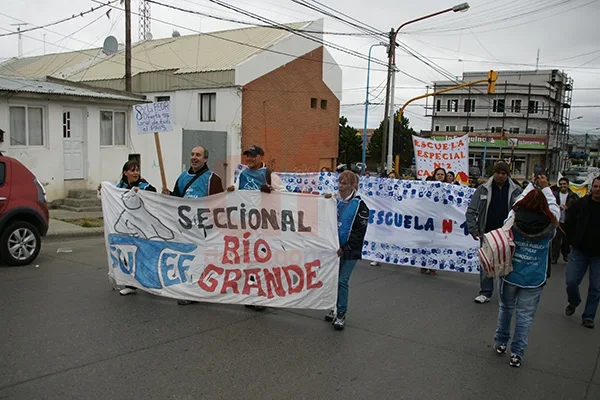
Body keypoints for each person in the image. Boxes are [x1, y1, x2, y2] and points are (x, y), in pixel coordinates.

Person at [493, 175, 559, 368]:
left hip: (510, 273)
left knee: (506, 309)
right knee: (525, 316)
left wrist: (530, 186)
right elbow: (554, 208)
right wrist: (546, 189)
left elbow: (517, 203)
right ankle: (517, 354)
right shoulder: (550, 225)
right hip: (534, 278)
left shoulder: (513, 220)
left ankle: (500, 342)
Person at [162, 146, 224, 305]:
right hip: (186, 228)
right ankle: (191, 289)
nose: (194, 157)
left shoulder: (213, 178)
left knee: (200, 260)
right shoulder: (182, 177)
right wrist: (168, 195)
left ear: (205, 159)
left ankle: (195, 292)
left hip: (204, 229)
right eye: (192, 154)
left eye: (198, 155)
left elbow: (219, 204)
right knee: (189, 260)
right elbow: (177, 199)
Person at [228, 145, 281, 310]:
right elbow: (237, 190)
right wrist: (231, 190)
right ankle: (252, 294)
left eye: (252, 156)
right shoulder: (242, 175)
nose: (249, 159)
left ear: (261, 156)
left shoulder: (269, 175)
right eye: (247, 156)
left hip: (264, 226)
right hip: (247, 227)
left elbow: (285, 195)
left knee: (263, 261)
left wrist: (271, 191)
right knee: (249, 261)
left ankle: (262, 295)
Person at [466, 161, 523, 304]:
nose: (500, 176)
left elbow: (522, 212)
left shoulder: (516, 190)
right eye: (498, 173)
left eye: (504, 173)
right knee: (487, 262)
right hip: (487, 232)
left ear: (508, 175)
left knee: (507, 262)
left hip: (508, 234)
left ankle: (506, 293)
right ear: (494, 173)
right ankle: (485, 292)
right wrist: (473, 228)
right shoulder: (483, 189)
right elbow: (471, 210)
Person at [100, 160, 157, 296]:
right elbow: (112, 192)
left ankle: (152, 283)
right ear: (126, 173)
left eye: (137, 170)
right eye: (132, 170)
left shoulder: (144, 185)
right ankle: (130, 285)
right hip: (126, 228)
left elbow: (153, 192)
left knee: (145, 256)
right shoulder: (120, 186)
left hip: (142, 227)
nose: (136, 173)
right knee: (127, 256)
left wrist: (141, 192)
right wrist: (103, 189)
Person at [324, 171, 369, 330]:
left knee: (342, 280)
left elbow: (359, 233)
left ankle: (341, 312)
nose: (341, 186)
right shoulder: (331, 200)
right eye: (340, 183)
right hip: (332, 248)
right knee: (331, 279)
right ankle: (332, 307)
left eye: (345, 184)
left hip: (349, 250)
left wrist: (345, 247)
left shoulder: (360, 207)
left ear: (353, 186)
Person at [564, 176, 600, 329]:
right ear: (591, 187)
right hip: (579, 251)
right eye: (596, 186)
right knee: (571, 281)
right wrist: (572, 241)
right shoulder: (580, 204)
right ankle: (574, 301)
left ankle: (589, 316)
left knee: (596, 287)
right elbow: (569, 222)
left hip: (598, 255)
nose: (598, 189)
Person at [370, 170, 399, 267]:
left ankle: (397, 256)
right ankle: (377, 258)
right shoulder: (381, 189)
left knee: (396, 238)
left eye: (393, 177)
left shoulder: (400, 190)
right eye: (389, 177)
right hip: (384, 217)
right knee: (380, 238)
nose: (390, 179)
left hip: (396, 217)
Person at [552, 177, 578, 264]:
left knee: (566, 241)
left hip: (568, 222)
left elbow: (577, 209)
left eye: (564, 184)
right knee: (556, 241)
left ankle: (566, 255)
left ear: (568, 185)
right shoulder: (554, 195)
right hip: (557, 222)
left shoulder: (573, 196)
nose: (562, 186)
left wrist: (569, 208)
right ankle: (554, 257)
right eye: (561, 184)